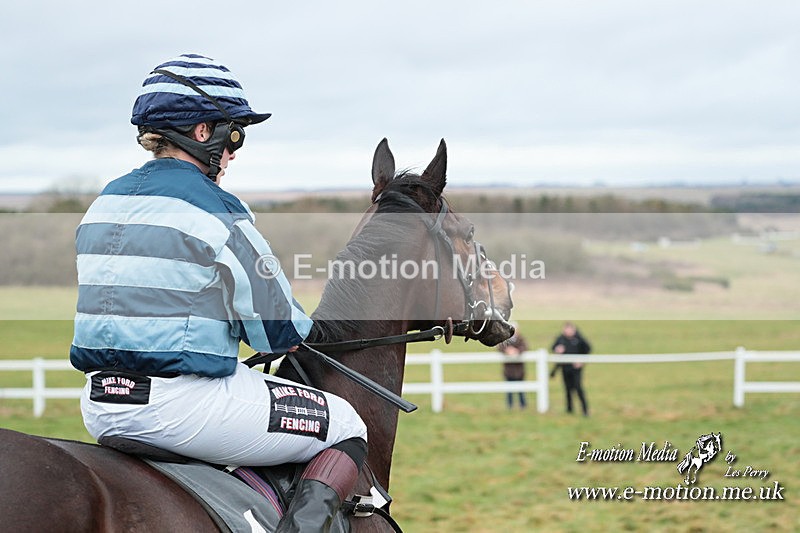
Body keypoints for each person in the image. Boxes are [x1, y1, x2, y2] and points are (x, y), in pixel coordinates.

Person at [70, 53, 367, 532]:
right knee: (348, 424)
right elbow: (278, 332)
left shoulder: (106, 201)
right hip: (181, 406)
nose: (234, 153)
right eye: (235, 136)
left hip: (102, 404)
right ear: (203, 132)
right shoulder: (218, 209)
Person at [549, 322, 591, 416]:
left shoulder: (579, 339)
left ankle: (585, 410)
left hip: (576, 369)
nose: (567, 331)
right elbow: (553, 347)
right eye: (566, 329)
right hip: (565, 367)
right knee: (567, 389)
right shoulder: (561, 338)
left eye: (569, 329)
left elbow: (587, 349)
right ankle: (569, 409)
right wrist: (557, 349)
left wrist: (582, 361)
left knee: (578, 387)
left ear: (573, 330)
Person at [497, 328, 528, 409]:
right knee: (509, 390)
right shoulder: (504, 340)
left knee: (521, 389)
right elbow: (499, 347)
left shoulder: (521, 339)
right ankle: (510, 406)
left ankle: (523, 405)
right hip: (508, 370)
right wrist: (507, 350)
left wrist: (517, 351)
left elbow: (525, 347)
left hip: (519, 370)